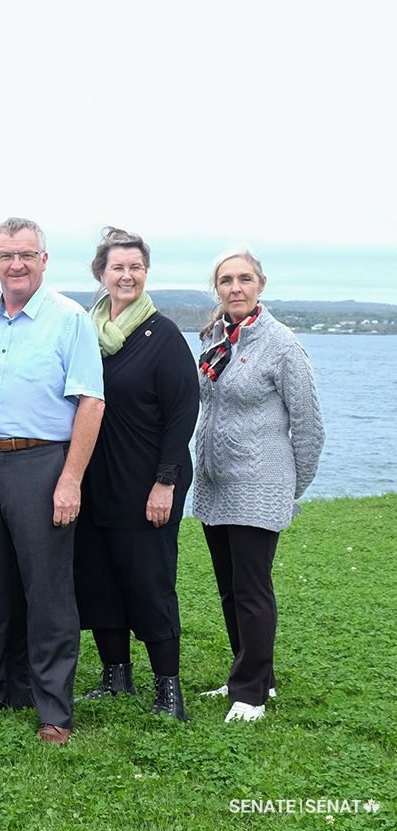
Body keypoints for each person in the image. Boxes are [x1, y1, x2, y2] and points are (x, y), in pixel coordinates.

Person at [0, 217, 105, 745]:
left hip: (45, 463)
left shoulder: (70, 319)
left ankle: (54, 708)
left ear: (43, 260)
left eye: (27, 255)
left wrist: (70, 479)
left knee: (48, 592)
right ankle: (7, 685)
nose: (16, 264)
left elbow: (91, 402)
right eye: (7, 255)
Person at [192, 244, 323, 723]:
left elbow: (309, 427)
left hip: (259, 485)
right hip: (215, 485)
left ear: (261, 284)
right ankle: (251, 676)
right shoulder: (216, 339)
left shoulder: (282, 345)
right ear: (217, 288)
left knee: (252, 590)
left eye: (244, 279)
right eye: (226, 280)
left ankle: (250, 695)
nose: (235, 288)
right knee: (230, 589)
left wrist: (287, 488)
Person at [74, 227, 199, 722]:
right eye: (117, 267)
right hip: (94, 481)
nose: (127, 276)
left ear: (146, 273)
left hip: (147, 483)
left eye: (136, 267)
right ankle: (116, 677)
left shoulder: (163, 336)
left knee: (149, 583)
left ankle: (169, 692)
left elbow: (182, 415)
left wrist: (165, 483)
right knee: (100, 578)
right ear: (101, 274)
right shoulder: (86, 332)